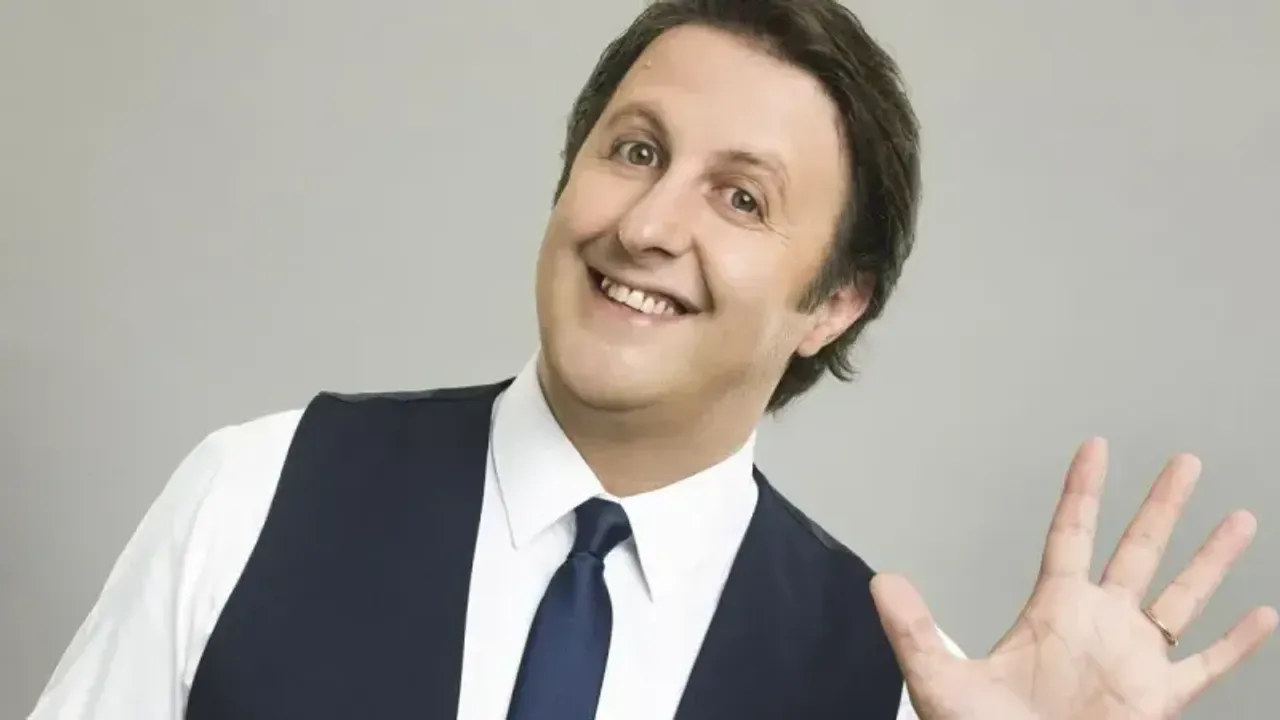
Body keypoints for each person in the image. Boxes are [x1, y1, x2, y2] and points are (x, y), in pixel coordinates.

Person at [28, 1, 1275, 718]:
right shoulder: (254, 494)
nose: (647, 225)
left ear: (833, 303)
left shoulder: (891, 684)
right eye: (634, 151)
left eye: (740, 198)